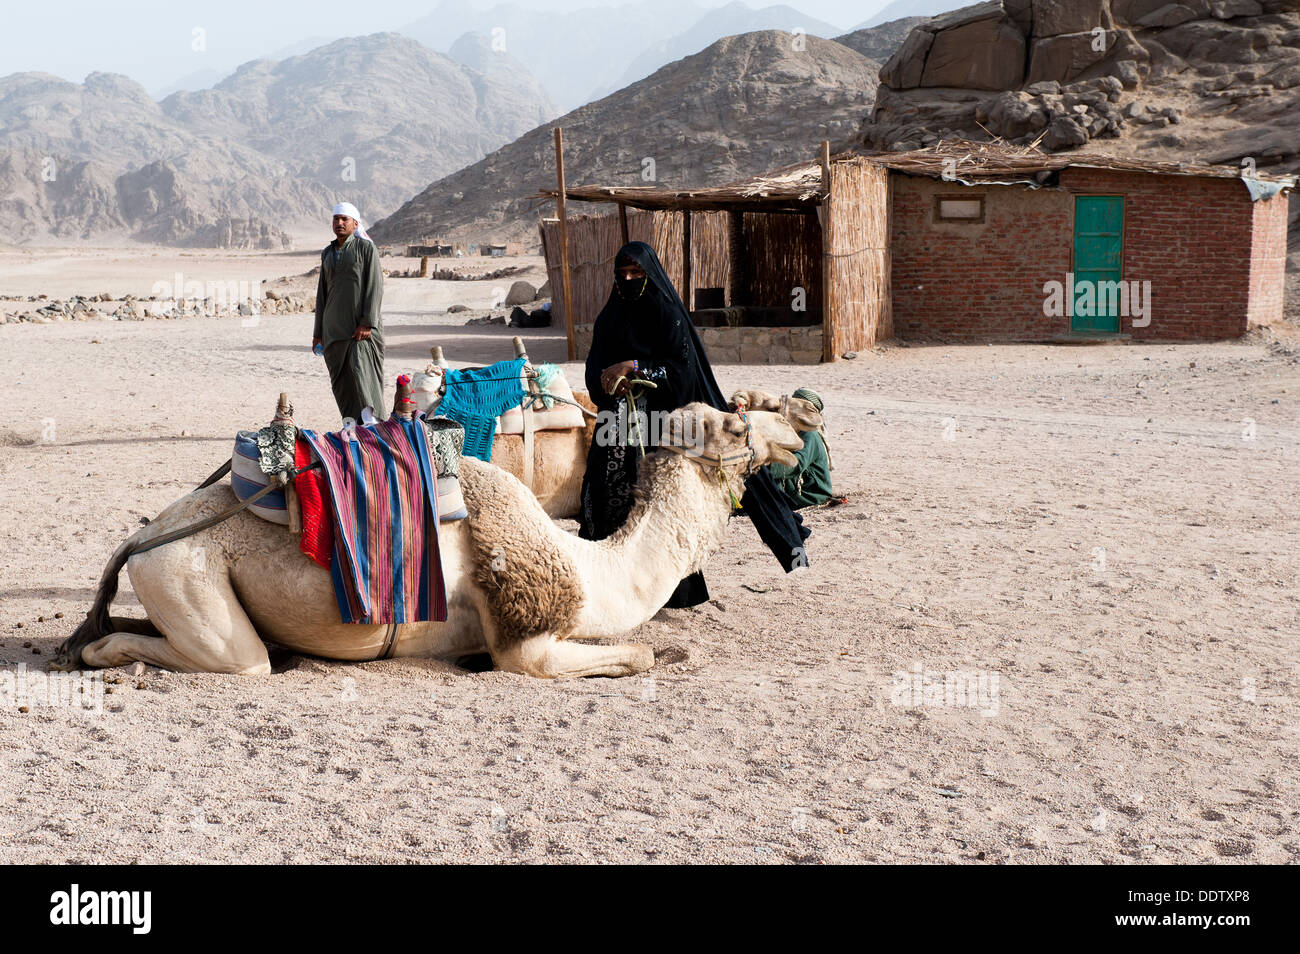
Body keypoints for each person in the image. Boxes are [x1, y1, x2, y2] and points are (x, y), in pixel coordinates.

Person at [579, 240, 810, 608]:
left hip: (662, 423)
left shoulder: (667, 313)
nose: (628, 279)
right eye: (622, 273)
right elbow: (594, 370)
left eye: (636, 272)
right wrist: (609, 381)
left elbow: (681, 372)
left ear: (649, 274)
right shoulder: (609, 317)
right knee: (602, 496)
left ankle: (672, 591)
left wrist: (637, 369)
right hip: (616, 422)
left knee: (657, 504)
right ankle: (601, 582)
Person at [313, 202, 385, 424]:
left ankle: (373, 427)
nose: (340, 223)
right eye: (336, 219)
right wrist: (318, 333)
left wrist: (367, 322)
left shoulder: (366, 248)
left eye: (344, 219)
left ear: (355, 223)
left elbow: (375, 286)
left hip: (359, 331)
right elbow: (322, 295)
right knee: (342, 384)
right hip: (333, 333)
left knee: (363, 378)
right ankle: (352, 426)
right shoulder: (327, 253)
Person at [768, 387, 833, 508]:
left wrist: (767, 466)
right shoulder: (793, 429)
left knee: (767, 474)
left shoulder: (810, 434)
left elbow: (798, 463)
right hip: (798, 485)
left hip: (811, 493)